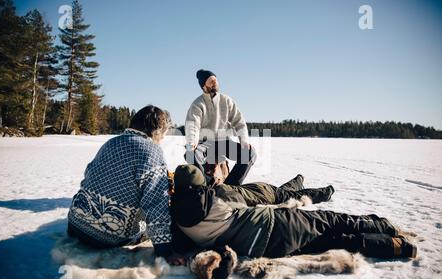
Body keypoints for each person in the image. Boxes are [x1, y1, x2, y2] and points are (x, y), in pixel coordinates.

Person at [170, 165, 417, 260]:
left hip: (264, 249)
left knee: (335, 243)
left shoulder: (178, 223)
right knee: (331, 221)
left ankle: (396, 247)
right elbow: (252, 201)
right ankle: (383, 226)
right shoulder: (219, 196)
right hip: (276, 224)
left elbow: (178, 244)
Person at [68, 105, 185, 265]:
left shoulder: (111, 143)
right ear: (157, 131)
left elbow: (88, 175)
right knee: (167, 214)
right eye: (163, 134)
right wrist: (164, 250)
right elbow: (156, 203)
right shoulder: (152, 152)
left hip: (76, 224)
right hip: (108, 237)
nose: (162, 139)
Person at [184, 69, 257, 186]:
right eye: (211, 81)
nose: (215, 83)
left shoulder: (226, 100)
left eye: (215, 80)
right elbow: (193, 125)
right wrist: (192, 143)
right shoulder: (198, 104)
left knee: (250, 153)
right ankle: (206, 186)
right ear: (203, 86)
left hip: (224, 142)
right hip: (205, 143)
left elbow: (239, 122)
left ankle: (231, 186)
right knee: (190, 154)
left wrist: (244, 141)